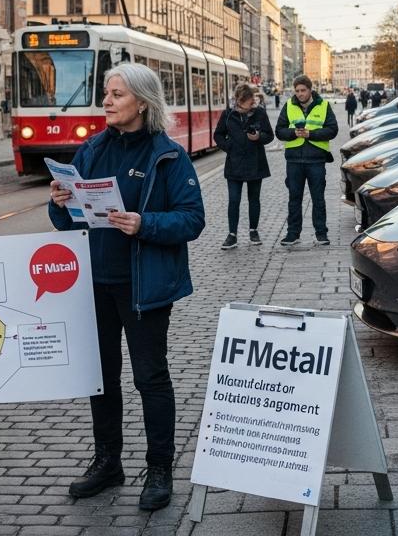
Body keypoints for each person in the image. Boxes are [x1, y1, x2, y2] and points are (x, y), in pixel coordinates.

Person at [48, 62, 204, 511]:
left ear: (142, 101)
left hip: (143, 287)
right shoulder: (92, 149)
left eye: (116, 94)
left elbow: (193, 219)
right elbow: (65, 220)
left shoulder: (168, 154)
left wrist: (143, 223)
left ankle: (159, 470)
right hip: (95, 284)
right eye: (105, 94)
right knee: (101, 379)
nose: (107, 102)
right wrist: (60, 201)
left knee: (150, 378)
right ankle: (108, 462)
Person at [275, 75, 339, 247]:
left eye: (303, 90)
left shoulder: (323, 105)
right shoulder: (289, 105)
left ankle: (321, 234)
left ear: (310, 90)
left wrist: (312, 134)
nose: (300, 94)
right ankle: (292, 234)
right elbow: (279, 131)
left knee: (318, 199)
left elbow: (333, 130)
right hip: (294, 160)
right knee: (294, 198)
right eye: (297, 91)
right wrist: (293, 133)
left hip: (316, 160)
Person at [214, 83, 272, 249]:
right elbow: (217, 135)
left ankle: (253, 231)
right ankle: (232, 235)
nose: (249, 104)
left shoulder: (259, 112)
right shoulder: (228, 114)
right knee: (234, 200)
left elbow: (269, 135)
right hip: (234, 163)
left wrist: (258, 137)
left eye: (250, 100)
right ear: (239, 100)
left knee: (254, 199)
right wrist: (228, 146)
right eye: (245, 101)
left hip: (256, 162)